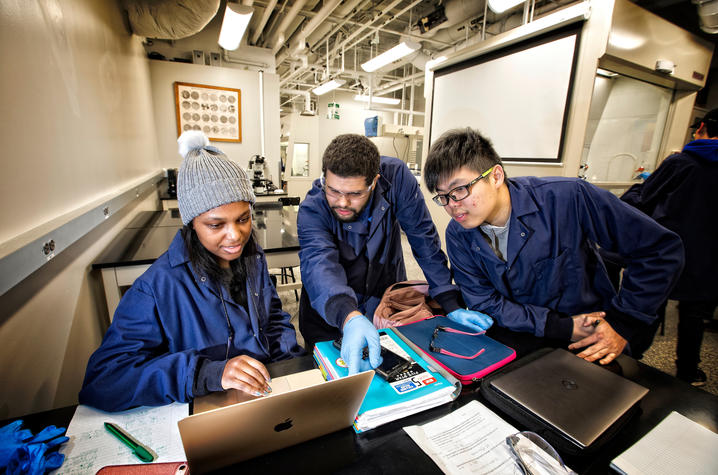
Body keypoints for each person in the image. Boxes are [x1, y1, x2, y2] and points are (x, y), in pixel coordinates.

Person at [79, 131, 304, 411]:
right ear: (191, 224)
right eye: (215, 225)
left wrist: (291, 364)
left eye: (243, 219)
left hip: (263, 394)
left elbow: (272, 318)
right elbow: (103, 381)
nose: (235, 236)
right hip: (209, 405)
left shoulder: (252, 257)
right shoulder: (157, 287)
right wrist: (203, 373)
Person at [423, 127, 684, 365]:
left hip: (592, 339)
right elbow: (485, 301)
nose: (452, 204)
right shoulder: (459, 234)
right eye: (442, 196)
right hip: (521, 340)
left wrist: (624, 323)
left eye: (460, 190)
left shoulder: (568, 198)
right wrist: (561, 326)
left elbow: (659, 250)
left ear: (496, 176)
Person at [298, 134, 493, 374]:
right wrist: (348, 316)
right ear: (323, 177)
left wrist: (448, 301)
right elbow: (319, 266)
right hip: (329, 310)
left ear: (375, 181)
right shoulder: (312, 209)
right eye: (333, 190)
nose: (343, 202)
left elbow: (423, 238)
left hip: (383, 304)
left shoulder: (396, 177)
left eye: (355, 194)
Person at [619, 109, 718, 385]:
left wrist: (640, 187)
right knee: (693, 317)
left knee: (650, 309)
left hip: (667, 251)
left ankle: (628, 361)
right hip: (709, 256)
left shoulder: (682, 163)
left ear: (701, 129)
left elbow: (644, 199)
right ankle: (688, 372)